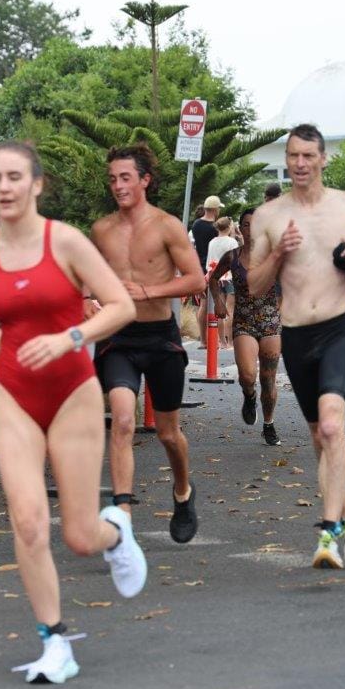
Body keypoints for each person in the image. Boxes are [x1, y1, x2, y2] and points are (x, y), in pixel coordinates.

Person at [0, 141, 144, 684]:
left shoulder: (66, 241)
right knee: (28, 521)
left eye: (14, 177)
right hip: (14, 394)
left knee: (79, 536)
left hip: (73, 390)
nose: (4, 187)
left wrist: (70, 337)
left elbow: (121, 306)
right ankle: (54, 641)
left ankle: (115, 533)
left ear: (35, 185)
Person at [249, 124, 345, 569]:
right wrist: (278, 254)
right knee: (319, 435)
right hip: (296, 335)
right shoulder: (268, 216)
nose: (300, 163)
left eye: (308, 156)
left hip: (338, 329)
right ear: (286, 159)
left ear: (323, 159)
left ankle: (328, 534)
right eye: (293, 155)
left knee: (332, 427)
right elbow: (254, 286)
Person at [88, 143, 206, 544]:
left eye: (125, 178)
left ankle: (183, 491)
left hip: (160, 339)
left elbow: (196, 279)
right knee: (123, 420)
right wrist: (86, 299)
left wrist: (148, 290)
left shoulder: (166, 226)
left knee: (169, 434)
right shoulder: (102, 230)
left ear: (144, 180)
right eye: (112, 179)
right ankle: (122, 515)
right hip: (118, 338)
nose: (118, 186)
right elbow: (88, 276)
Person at [209, 207, 283, 445]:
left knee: (268, 379)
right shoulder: (232, 256)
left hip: (271, 322)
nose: (252, 229)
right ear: (241, 229)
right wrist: (219, 301)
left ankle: (269, 424)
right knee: (248, 375)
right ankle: (249, 396)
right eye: (247, 225)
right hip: (244, 322)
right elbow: (212, 279)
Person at [192, 195, 223, 346]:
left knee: (203, 304)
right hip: (214, 266)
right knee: (218, 301)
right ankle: (217, 339)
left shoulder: (196, 224)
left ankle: (203, 340)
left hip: (200, 266)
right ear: (215, 209)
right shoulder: (215, 227)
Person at [206, 216, 239, 348]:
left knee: (219, 309)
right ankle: (230, 341)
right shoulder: (232, 242)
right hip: (230, 277)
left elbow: (209, 263)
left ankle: (222, 342)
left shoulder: (212, 242)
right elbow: (236, 260)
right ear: (229, 227)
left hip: (216, 278)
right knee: (230, 310)